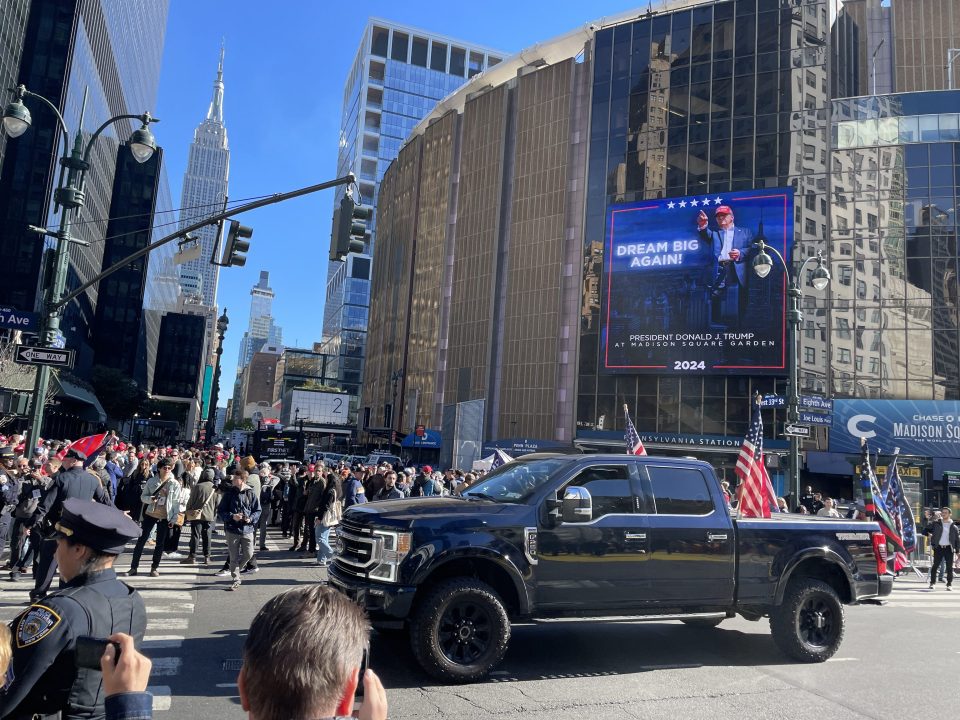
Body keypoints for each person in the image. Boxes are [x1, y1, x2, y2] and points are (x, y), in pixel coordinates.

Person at [0, 498, 146, 719]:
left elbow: (12, 686)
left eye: (59, 545)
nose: (55, 554)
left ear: (78, 550)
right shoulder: (133, 599)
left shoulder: (56, 611)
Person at [24, 447, 111, 601]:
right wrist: (118, 513)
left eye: (65, 459)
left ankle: (39, 594)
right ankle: (65, 593)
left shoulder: (61, 479)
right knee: (72, 562)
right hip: (80, 529)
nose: (63, 461)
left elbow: (45, 506)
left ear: (73, 461)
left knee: (49, 562)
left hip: (59, 527)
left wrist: (30, 524)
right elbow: (104, 501)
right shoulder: (92, 479)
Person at [696, 204, 755, 319]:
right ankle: (716, 326)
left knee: (739, 299)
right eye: (718, 216)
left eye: (724, 215)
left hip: (736, 269)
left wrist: (740, 253)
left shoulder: (745, 232)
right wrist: (703, 226)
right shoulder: (715, 234)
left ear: (731, 217)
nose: (720, 218)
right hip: (720, 269)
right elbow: (705, 234)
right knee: (715, 297)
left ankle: (739, 327)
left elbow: (753, 249)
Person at [125, 457, 181, 577]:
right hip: (151, 513)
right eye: (164, 468)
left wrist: (174, 518)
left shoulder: (175, 483)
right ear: (159, 468)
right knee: (141, 541)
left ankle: (154, 568)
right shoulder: (151, 481)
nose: (167, 470)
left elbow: (176, 503)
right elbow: (142, 497)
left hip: (166, 516)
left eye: (169, 468)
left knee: (160, 543)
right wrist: (150, 499)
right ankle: (133, 568)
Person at [216, 468, 260, 590]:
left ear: (242, 480)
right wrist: (232, 516)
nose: (233, 479)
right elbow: (221, 511)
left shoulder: (250, 493)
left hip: (247, 529)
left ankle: (236, 571)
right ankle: (236, 578)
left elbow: (257, 510)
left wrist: (250, 518)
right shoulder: (229, 493)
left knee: (249, 553)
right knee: (233, 556)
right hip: (232, 529)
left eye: (236, 478)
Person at [182, 467, 218, 565]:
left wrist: (187, 511)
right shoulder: (215, 488)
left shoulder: (198, 486)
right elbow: (217, 504)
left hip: (196, 515)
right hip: (209, 516)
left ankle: (192, 557)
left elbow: (190, 501)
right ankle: (207, 557)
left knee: (195, 536)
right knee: (207, 536)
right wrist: (214, 514)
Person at [928, 506, 959, 590]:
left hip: (949, 548)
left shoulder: (954, 527)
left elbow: (956, 540)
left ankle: (949, 584)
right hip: (938, 548)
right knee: (935, 566)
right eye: (942, 512)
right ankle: (932, 583)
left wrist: (958, 552)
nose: (943, 514)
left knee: (949, 567)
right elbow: (925, 530)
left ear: (950, 514)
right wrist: (930, 535)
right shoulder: (936, 523)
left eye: (945, 512)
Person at [315, 473, 339, 567]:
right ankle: (321, 559)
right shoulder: (335, 490)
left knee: (320, 538)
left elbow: (325, 506)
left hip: (325, 517)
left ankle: (332, 555)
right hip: (329, 518)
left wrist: (319, 518)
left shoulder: (329, 491)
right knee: (324, 538)